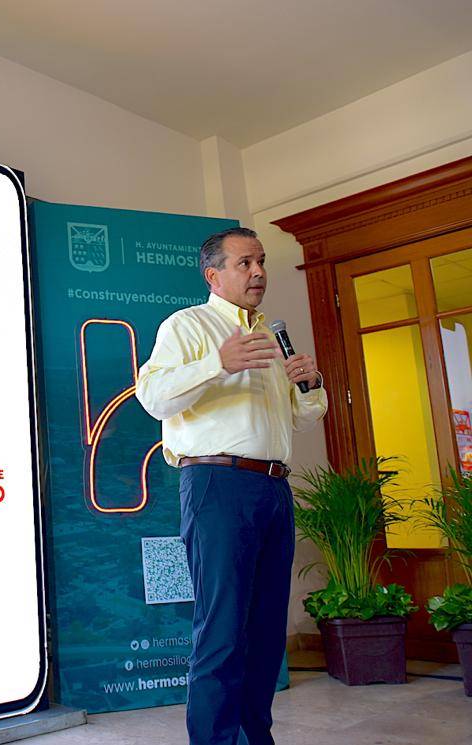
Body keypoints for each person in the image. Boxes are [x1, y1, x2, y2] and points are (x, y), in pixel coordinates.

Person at [136, 227, 327, 745]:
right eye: (245, 263)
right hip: (217, 484)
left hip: (273, 489)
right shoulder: (187, 325)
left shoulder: (271, 335)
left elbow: (300, 418)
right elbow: (152, 396)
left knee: (266, 632)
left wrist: (309, 386)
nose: (259, 272)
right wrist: (217, 363)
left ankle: (254, 737)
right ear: (213, 275)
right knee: (221, 629)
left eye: (261, 262)